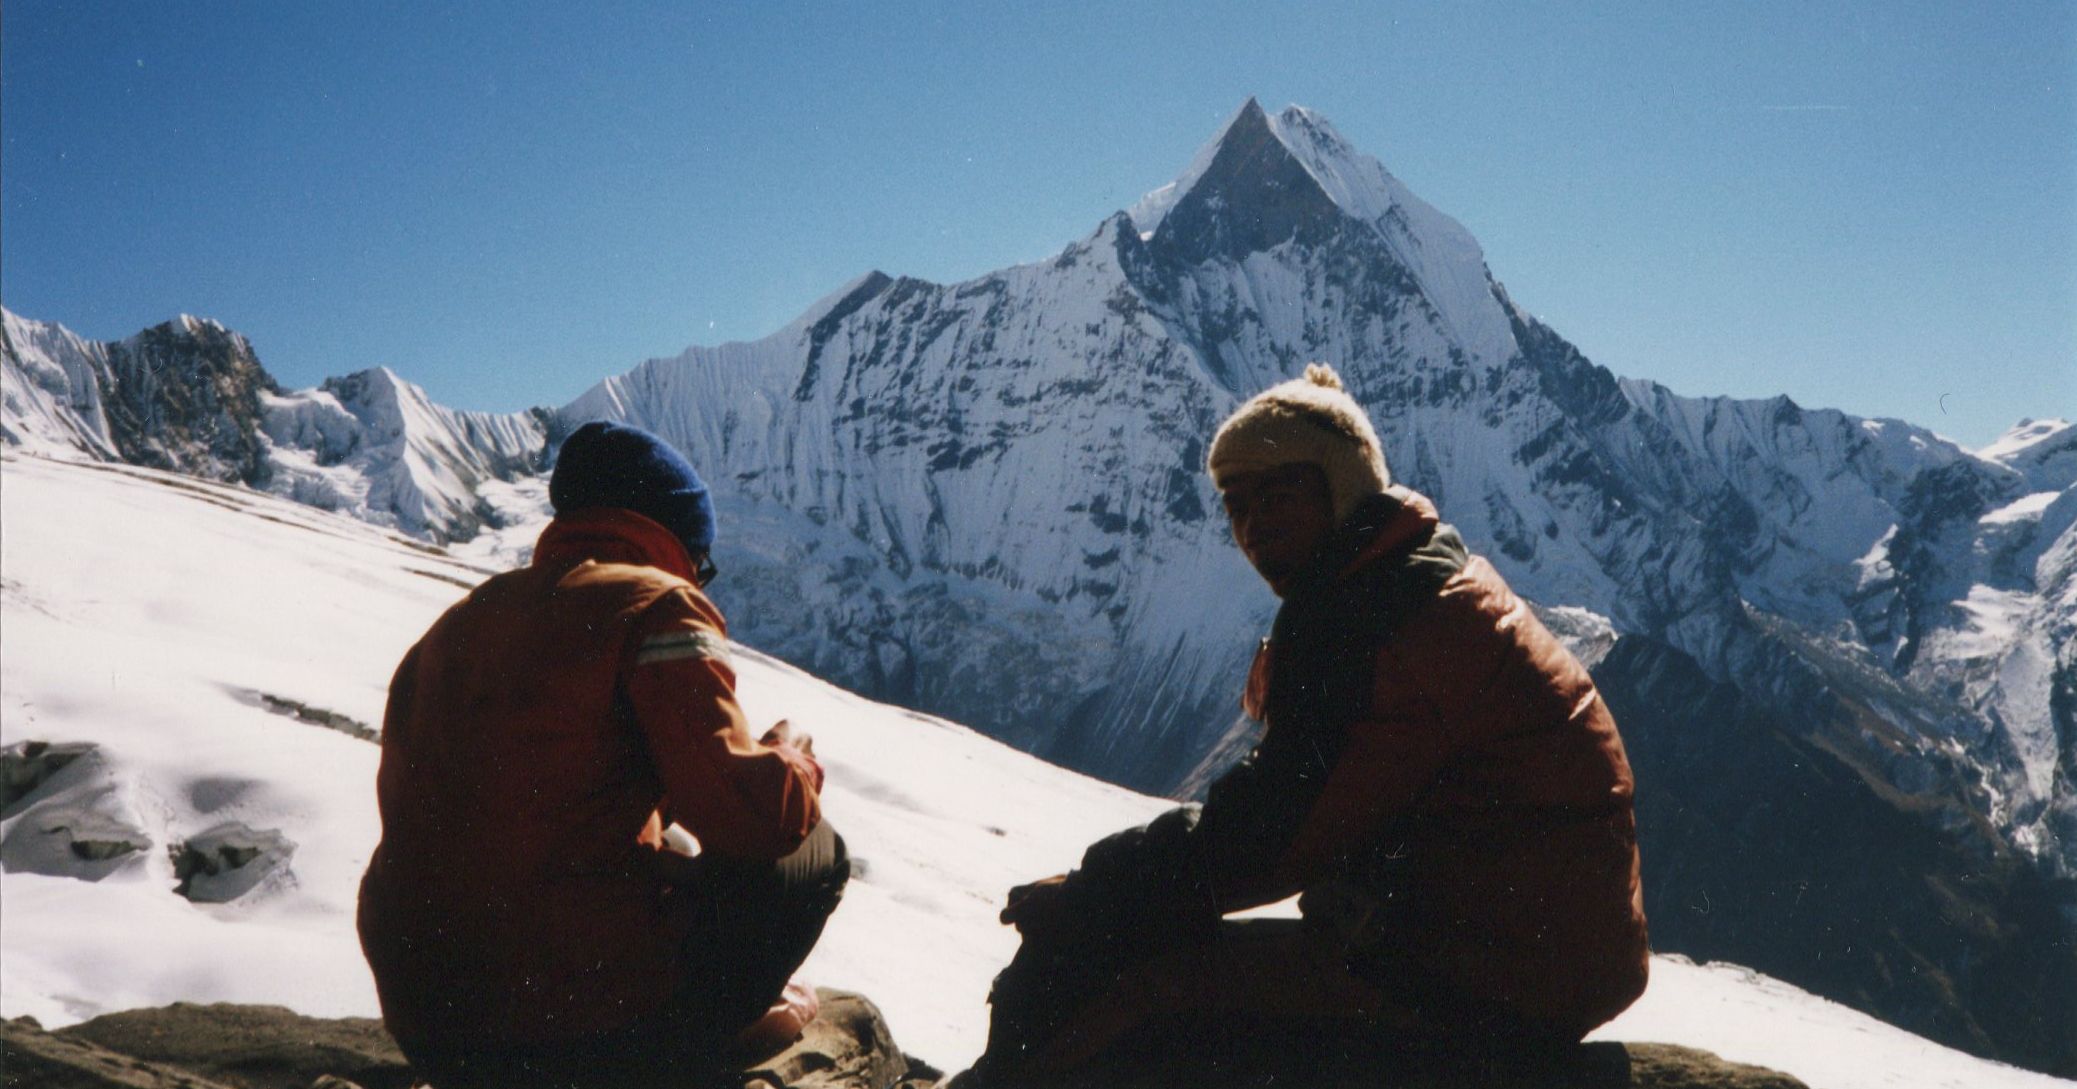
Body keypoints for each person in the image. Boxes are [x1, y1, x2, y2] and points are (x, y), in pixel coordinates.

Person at [974, 365, 1648, 1080]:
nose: (1253, 524)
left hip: (1485, 975)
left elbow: (1274, 832)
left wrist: (1094, 893)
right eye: (1235, 504)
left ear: (1342, 487)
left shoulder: (1378, 621)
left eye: (1278, 494)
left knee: (1112, 987)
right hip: (1509, 953)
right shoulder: (1403, 579)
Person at [358, 421, 845, 1087]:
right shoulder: (658, 603)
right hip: (576, 1031)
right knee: (809, 847)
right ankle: (711, 1028)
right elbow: (747, 816)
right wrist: (792, 758)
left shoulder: (456, 624)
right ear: (678, 539)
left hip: (429, 1022)